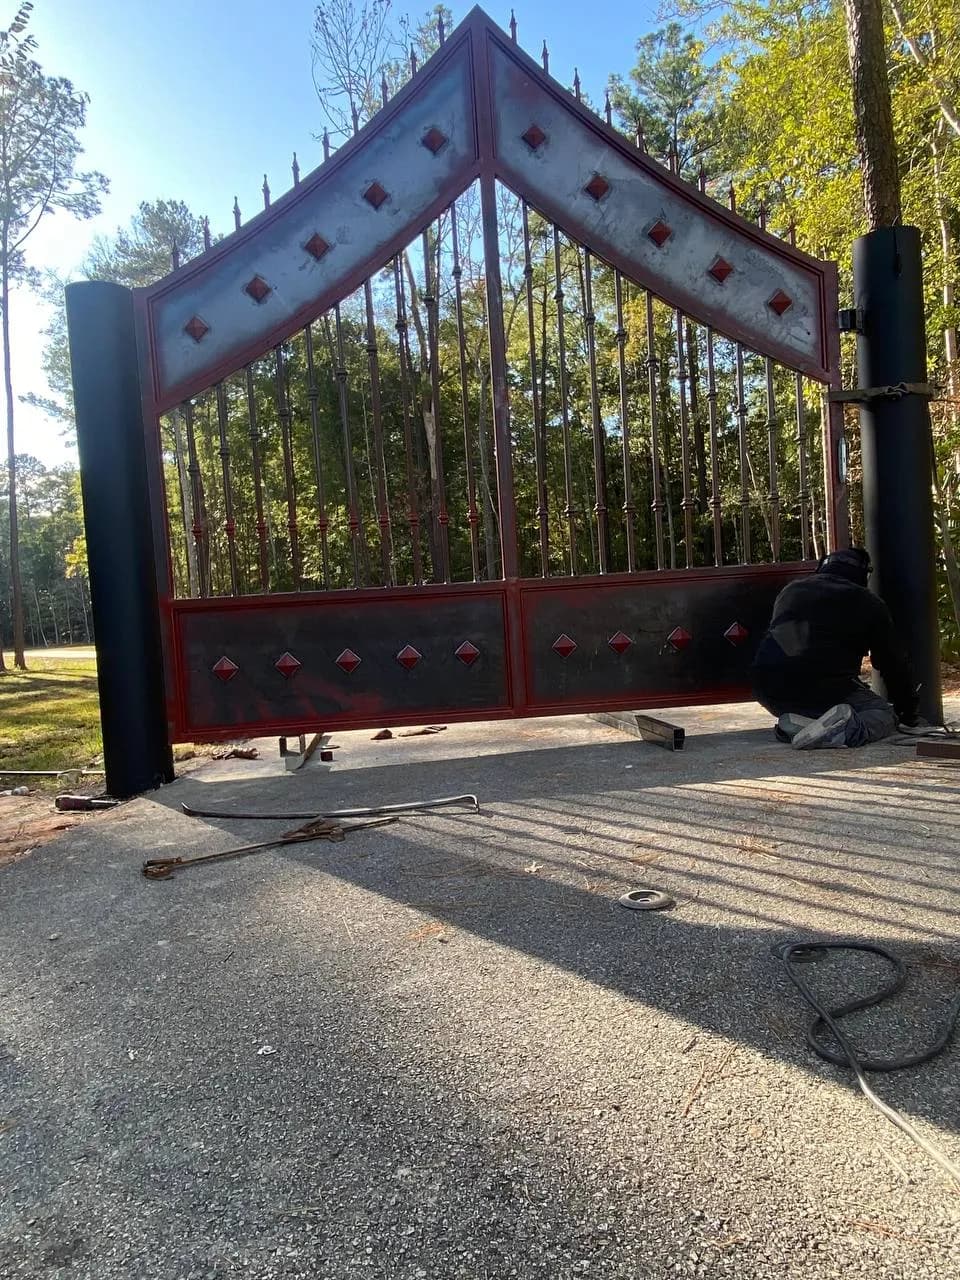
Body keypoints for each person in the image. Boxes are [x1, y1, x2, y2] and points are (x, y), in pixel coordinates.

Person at [751, 547, 929, 749]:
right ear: (864, 574)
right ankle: (842, 732)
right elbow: (892, 663)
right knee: (883, 713)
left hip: (768, 690)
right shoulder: (867, 602)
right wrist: (908, 713)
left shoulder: (791, 590)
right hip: (825, 688)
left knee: (826, 696)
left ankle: (803, 725)